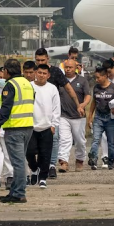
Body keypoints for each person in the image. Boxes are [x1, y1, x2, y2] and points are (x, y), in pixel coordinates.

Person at [33, 48, 80, 180]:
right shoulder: (33, 71)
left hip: (52, 112)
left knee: (54, 138)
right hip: (34, 113)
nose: (40, 62)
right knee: (34, 143)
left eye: (42, 60)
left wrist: (78, 104)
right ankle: (38, 166)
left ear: (48, 59)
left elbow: (68, 88)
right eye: (37, 60)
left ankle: (51, 165)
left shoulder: (55, 72)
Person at [0, 59, 35, 204]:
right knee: (19, 161)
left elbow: (6, 108)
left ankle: (19, 193)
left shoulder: (10, 85)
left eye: (4, 71)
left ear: (7, 71)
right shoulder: (27, 84)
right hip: (28, 126)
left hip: (15, 127)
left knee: (17, 163)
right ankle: (14, 191)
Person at [26, 64, 60, 189]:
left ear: (48, 75)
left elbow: (56, 108)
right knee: (29, 151)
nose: (41, 75)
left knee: (45, 154)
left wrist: (54, 124)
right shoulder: (29, 86)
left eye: (44, 73)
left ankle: (43, 178)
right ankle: (34, 169)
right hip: (31, 126)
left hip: (47, 126)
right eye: (39, 72)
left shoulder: (52, 88)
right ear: (35, 73)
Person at [57, 58, 91, 172]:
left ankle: (80, 160)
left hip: (78, 116)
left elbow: (88, 95)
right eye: (66, 67)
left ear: (76, 68)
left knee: (80, 141)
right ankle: (63, 162)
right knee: (64, 140)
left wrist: (83, 104)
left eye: (70, 67)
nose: (68, 69)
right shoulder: (60, 81)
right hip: (63, 115)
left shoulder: (82, 81)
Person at [87, 67, 114, 170]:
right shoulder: (96, 88)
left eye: (98, 77)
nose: (96, 80)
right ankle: (93, 159)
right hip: (98, 117)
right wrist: (90, 116)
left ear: (105, 76)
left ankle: (111, 161)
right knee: (95, 139)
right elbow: (94, 102)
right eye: (95, 78)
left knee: (111, 142)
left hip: (110, 118)